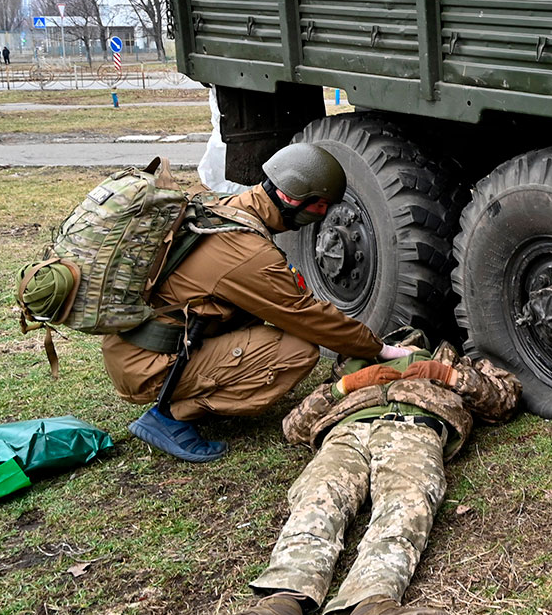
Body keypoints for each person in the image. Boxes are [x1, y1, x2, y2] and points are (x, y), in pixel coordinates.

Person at [170, 334, 521, 615]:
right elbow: (293, 427)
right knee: (319, 498)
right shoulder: (348, 367)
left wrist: (447, 375)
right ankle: (279, 608)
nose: (399, 344)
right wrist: (345, 387)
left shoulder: (451, 359)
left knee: (407, 501)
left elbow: (504, 400)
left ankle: (372, 607)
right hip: (345, 433)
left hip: (413, 426)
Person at [104, 142, 418, 462]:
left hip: (138, 347)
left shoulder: (226, 207)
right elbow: (306, 315)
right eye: (319, 205)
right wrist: (380, 349)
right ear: (290, 197)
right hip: (149, 365)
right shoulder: (248, 252)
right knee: (296, 351)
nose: (322, 215)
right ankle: (170, 414)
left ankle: (188, 392)